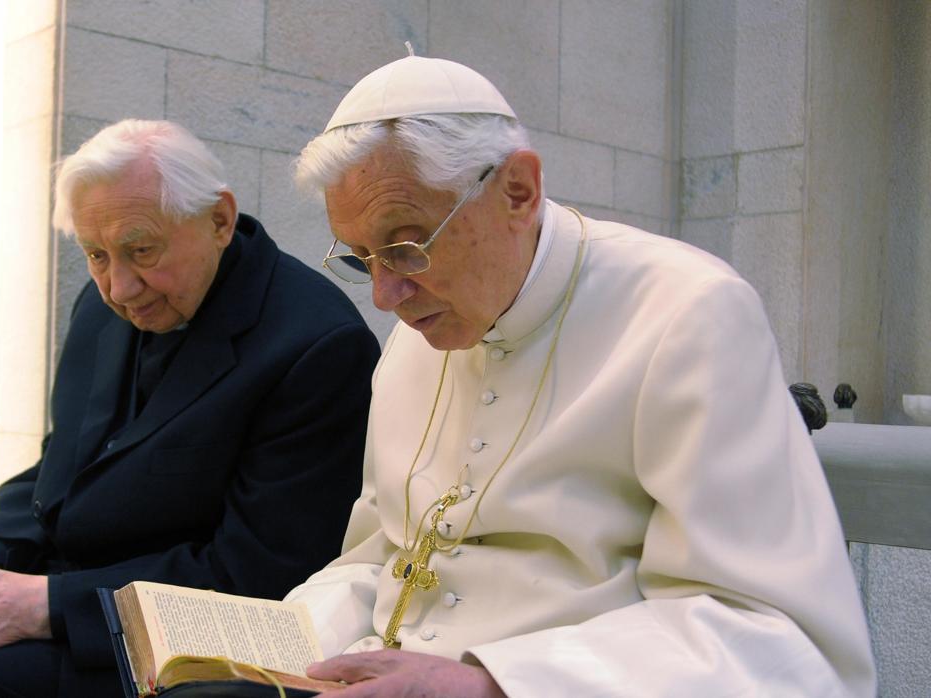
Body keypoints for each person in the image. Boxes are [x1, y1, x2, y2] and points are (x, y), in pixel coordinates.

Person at [283, 54, 876, 696]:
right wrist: (268, 636)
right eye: (360, 257)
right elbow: (380, 558)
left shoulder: (688, 314)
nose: (385, 294)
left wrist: (491, 686)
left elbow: (773, 635)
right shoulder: (411, 344)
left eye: (406, 245)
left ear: (517, 190)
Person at [0, 119, 381, 696]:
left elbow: (259, 573)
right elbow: (58, 466)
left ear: (219, 220)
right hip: (53, 585)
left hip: (167, 638)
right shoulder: (103, 301)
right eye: (95, 254)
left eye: (141, 250)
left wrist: (40, 607)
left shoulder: (316, 344)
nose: (119, 287)